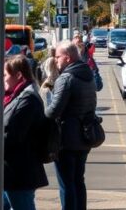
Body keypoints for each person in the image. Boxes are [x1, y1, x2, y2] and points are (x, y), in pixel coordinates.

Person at [45, 41, 97, 210]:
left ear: (67, 58)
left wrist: (42, 110)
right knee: (78, 180)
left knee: (66, 184)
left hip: (66, 139)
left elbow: (53, 111)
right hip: (85, 136)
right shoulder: (88, 75)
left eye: (58, 56)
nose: (56, 60)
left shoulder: (66, 78)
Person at [2, 54, 48, 210]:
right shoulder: (13, 96)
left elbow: (14, 135)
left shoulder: (28, 99)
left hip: (20, 172)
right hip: (10, 170)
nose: (3, 79)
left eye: (5, 75)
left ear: (19, 75)